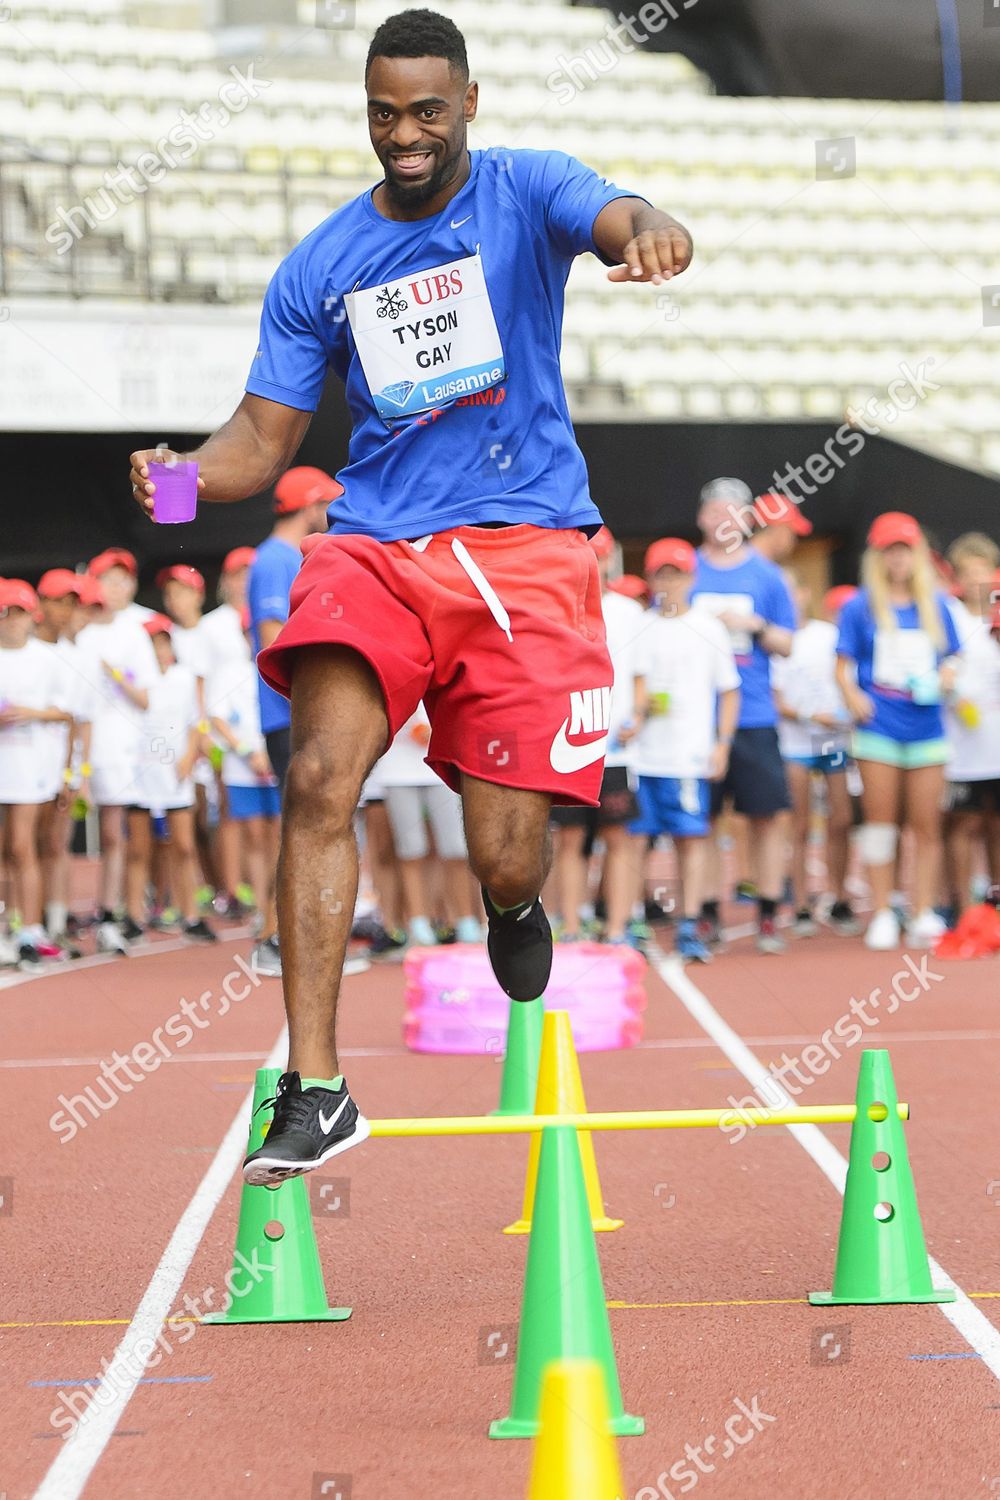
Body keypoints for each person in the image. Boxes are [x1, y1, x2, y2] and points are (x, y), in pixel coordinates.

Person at [129, 7, 693, 1184]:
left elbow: (615, 213)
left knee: (504, 856)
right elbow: (260, 440)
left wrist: (653, 229)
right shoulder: (324, 263)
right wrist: (180, 486)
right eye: (385, 113)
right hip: (378, 543)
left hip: (528, 546)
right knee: (321, 776)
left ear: (468, 105)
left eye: (428, 112)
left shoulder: (526, 188)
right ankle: (318, 1085)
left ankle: (511, 905)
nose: (406, 135)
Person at [835, 512, 961, 950]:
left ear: (918, 554)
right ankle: (885, 911)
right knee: (880, 824)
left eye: (905, 549)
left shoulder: (938, 605)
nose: (898, 559)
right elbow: (843, 663)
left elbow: (955, 657)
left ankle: (923, 909)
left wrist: (947, 676)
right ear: (878, 555)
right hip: (879, 728)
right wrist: (852, 697)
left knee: (926, 825)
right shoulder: (860, 606)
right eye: (890, 550)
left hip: (927, 728)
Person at [689, 477, 795, 954]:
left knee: (767, 817)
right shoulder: (685, 571)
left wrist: (754, 625)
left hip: (753, 714)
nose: (723, 519)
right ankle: (707, 911)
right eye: (715, 511)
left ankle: (769, 910)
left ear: (747, 519)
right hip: (697, 717)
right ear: (702, 518)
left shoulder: (766, 576)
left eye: (733, 511)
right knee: (706, 821)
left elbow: (789, 643)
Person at [245, 465, 342, 976]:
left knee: (306, 823)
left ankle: (285, 936)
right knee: (299, 825)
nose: (331, 514)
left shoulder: (289, 557)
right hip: (287, 711)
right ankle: (272, 937)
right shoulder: (275, 559)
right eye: (325, 503)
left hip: (295, 709)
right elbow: (271, 635)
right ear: (308, 505)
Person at [624, 538, 740, 963]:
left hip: (689, 755)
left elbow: (729, 691)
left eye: (677, 574)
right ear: (651, 578)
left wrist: (722, 745)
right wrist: (638, 710)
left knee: (691, 840)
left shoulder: (710, 628)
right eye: (661, 574)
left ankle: (690, 922)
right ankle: (634, 919)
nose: (669, 583)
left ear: (691, 577)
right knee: (636, 841)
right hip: (643, 755)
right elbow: (631, 685)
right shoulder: (640, 625)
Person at [550, 527, 644, 946]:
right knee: (568, 838)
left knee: (617, 837)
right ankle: (571, 925)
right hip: (568, 745)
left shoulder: (628, 611)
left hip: (616, 749)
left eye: (601, 556)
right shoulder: (554, 604)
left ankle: (618, 926)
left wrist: (638, 715)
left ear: (610, 561)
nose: (594, 564)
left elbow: (642, 676)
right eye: (588, 555)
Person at [75, 570, 158, 954]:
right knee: (55, 836)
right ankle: (55, 919)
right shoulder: (82, 635)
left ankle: (110, 914)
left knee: (115, 833)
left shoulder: (135, 633)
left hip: (121, 749)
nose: (114, 588)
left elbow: (144, 698)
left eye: (122, 581)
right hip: (79, 746)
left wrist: (117, 677)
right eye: (107, 580)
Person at [772, 579, 861, 937]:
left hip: (835, 742)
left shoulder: (828, 635)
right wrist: (811, 716)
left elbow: (849, 679)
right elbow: (777, 700)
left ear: (805, 594)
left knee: (841, 819)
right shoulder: (777, 642)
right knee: (800, 824)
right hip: (796, 744)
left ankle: (839, 897)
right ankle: (802, 905)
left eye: (795, 592)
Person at [127, 615, 216, 942]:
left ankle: (190, 915)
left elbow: (196, 721)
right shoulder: (135, 680)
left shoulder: (184, 678)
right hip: (140, 773)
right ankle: (135, 916)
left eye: (163, 642)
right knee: (138, 849)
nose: (159, 649)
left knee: (183, 845)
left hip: (174, 773)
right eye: (152, 643)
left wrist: (189, 757)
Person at [0, 580, 73, 967]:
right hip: (5, 763)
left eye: (19, 613)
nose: (12, 622)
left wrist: (28, 712)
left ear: (31, 617)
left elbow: (67, 712)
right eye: (6, 614)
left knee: (22, 846)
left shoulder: (47, 658)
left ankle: (30, 927)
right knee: (4, 850)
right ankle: (8, 927)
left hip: (31, 769)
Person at [378, 704, 482, 946]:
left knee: (455, 848)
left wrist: (437, 729)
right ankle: (418, 923)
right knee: (411, 850)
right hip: (398, 771)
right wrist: (407, 728)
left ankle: (465, 921)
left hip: (441, 769)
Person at [941, 534, 1000, 914]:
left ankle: (994, 902)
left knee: (996, 825)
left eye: (984, 570)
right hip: (959, 742)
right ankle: (959, 907)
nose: (978, 579)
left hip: (996, 739)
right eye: (969, 571)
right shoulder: (948, 614)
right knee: (961, 824)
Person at [749, 491, 813, 564]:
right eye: (792, 534)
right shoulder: (765, 572)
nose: (794, 542)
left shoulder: (737, 558)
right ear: (779, 533)